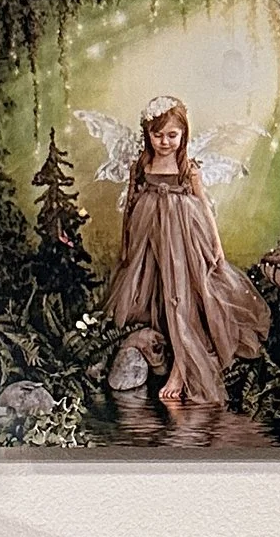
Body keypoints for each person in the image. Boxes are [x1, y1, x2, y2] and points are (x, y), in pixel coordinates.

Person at [106, 96, 269, 414]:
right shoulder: (140, 165)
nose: (164, 142)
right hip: (149, 234)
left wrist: (216, 244)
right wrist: (126, 241)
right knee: (156, 293)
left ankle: (182, 368)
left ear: (183, 136)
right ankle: (159, 352)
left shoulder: (186, 167)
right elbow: (130, 205)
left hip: (183, 237)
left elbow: (204, 206)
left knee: (182, 297)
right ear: (147, 134)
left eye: (172, 135)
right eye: (158, 135)